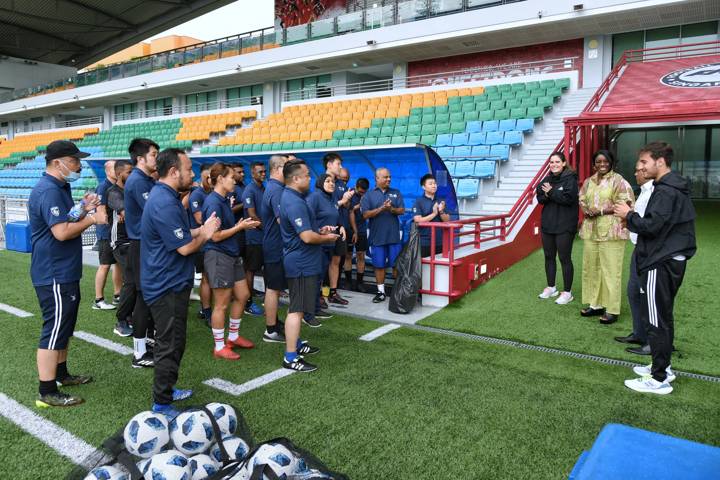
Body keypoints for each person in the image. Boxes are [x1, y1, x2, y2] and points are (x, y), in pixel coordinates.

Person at [141, 148, 220, 417]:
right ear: (174, 172)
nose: (193, 174)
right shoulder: (163, 200)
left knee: (175, 341)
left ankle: (167, 390)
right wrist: (206, 234)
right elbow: (185, 248)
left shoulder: (168, 196)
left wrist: (200, 229)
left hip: (172, 282)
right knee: (169, 343)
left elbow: (179, 233)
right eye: (188, 169)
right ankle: (162, 403)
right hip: (166, 285)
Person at [29, 140, 107, 408]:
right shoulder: (48, 190)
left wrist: (82, 209)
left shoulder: (60, 187)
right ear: (57, 162)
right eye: (74, 161)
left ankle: (61, 375)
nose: (78, 165)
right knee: (53, 329)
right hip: (53, 272)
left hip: (63, 270)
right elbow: (61, 232)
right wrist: (91, 219)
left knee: (64, 327)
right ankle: (47, 390)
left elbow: (66, 219)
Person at [614, 142, 696, 395]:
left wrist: (628, 215)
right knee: (663, 316)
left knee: (656, 320)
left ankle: (658, 378)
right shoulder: (672, 188)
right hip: (670, 258)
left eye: (643, 162)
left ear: (660, 162)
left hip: (660, 262)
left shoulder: (666, 191)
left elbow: (650, 226)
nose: (639, 166)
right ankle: (664, 367)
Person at [279, 159, 339, 372]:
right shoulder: (293, 201)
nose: (310, 178)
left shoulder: (295, 198)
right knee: (297, 309)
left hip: (303, 261)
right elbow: (306, 237)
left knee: (300, 308)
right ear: (296, 178)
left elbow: (306, 231)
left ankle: (295, 344)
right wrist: (327, 238)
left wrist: (320, 232)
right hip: (301, 262)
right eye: (306, 175)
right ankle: (290, 357)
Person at [203, 163, 260, 360]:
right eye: (230, 177)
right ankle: (219, 346)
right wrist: (240, 227)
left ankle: (233, 337)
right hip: (219, 255)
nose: (234, 180)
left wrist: (239, 226)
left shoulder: (223, 199)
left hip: (231, 254)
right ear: (220, 179)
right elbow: (215, 236)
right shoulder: (213, 202)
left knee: (243, 295)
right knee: (221, 304)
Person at [578, 150, 634, 324]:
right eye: (598, 162)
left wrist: (601, 210)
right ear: (594, 164)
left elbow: (627, 203)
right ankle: (595, 305)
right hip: (591, 231)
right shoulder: (589, 182)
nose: (602, 165)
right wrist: (585, 208)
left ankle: (612, 309)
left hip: (612, 232)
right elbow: (581, 198)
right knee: (592, 268)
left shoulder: (619, 181)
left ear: (611, 163)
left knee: (611, 271)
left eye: (605, 162)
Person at [123, 138, 159, 368]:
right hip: (140, 245)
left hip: (146, 245)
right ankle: (139, 353)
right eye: (154, 154)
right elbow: (155, 211)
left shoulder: (145, 180)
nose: (157, 158)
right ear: (140, 158)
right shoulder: (137, 181)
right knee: (143, 298)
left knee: (149, 296)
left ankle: (146, 342)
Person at [614, 164, 654, 355]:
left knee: (647, 295)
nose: (635, 173)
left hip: (648, 250)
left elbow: (650, 223)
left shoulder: (655, 192)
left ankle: (651, 341)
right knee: (633, 291)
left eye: (638, 170)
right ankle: (639, 333)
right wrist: (629, 218)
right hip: (639, 248)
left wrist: (628, 215)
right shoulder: (645, 192)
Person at [535, 153, 579, 305]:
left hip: (565, 226)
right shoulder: (547, 180)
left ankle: (567, 292)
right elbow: (540, 198)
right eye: (551, 162)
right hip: (548, 224)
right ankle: (551, 287)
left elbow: (568, 199)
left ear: (564, 163)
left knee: (564, 258)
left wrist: (551, 192)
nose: (554, 164)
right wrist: (550, 193)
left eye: (557, 162)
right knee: (549, 257)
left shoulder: (571, 179)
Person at [361, 167, 405, 303]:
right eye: (386, 177)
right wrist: (381, 208)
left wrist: (391, 209)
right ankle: (381, 292)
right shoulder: (368, 195)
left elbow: (402, 210)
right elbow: (365, 215)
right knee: (379, 265)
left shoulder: (396, 193)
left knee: (396, 265)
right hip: (377, 237)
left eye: (389, 177)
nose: (389, 179)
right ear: (377, 178)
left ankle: (398, 291)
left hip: (393, 237)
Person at [308, 174, 348, 314]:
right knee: (314, 276)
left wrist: (340, 225)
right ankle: (310, 310)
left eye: (333, 182)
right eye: (328, 181)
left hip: (328, 244)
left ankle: (315, 307)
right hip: (316, 244)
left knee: (320, 276)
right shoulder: (315, 197)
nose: (332, 184)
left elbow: (333, 216)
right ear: (320, 183)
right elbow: (308, 218)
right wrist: (319, 231)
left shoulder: (332, 199)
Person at [260, 155, 289, 343]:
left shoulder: (275, 188)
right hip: (275, 246)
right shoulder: (276, 190)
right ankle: (270, 330)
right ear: (278, 169)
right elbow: (282, 221)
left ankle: (274, 324)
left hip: (275, 245)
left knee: (275, 287)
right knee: (272, 288)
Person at [106, 160, 134, 337]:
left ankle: (132, 317)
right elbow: (127, 213)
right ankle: (121, 320)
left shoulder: (132, 191)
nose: (132, 176)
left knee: (139, 281)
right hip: (121, 242)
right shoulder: (113, 192)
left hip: (136, 240)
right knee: (131, 280)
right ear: (119, 174)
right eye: (129, 172)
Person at [322, 154, 353, 304]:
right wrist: (344, 200)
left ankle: (332, 293)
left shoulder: (339, 183)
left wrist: (341, 225)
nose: (340, 167)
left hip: (339, 227)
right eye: (338, 164)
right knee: (322, 262)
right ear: (329, 164)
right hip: (325, 229)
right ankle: (319, 294)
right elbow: (326, 207)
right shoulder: (322, 182)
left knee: (336, 260)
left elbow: (341, 207)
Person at [93, 160, 121, 310]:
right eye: (113, 168)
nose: (117, 171)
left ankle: (118, 295)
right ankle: (98, 299)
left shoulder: (116, 186)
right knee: (105, 265)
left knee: (118, 264)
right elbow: (100, 212)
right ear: (107, 171)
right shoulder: (103, 187)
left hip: (116, 233)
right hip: (106, 233)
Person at [241, 161, 266, 316]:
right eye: (260, 172)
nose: (263, 174)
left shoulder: (264, 188)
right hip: (253, 238)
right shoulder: (249, 190)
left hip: (264, 237)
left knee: (266, 269)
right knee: (250, 270)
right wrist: (267, 228)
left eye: (264, 171)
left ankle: (268, 298)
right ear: (253, 173)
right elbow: (252, 215)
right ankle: (248, 302)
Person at [189, 164, 212, 321]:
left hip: (211, 240)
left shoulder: (212, 193)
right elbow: (199, 219)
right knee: (206, 277)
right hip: (200, 241)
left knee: (210, 277)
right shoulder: (197, 194)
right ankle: (206, 310)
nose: (210, 180)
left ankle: (208, 307)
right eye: (206, 178)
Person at [413, 174, 450, 258]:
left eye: (435, 183)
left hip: (440, 241)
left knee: (440, 268)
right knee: (424, 268)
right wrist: (434, 213)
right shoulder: (418, 201)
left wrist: (441, 211)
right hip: (424, 242)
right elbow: (418, 220)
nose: (434, 186)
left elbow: (447, 220)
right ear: (423, 187)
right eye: (430, 183)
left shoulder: (441, 200)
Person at [348, 177, 369, 292]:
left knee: (361, 255)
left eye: (364, 192)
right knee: (348, 255)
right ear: (356, 187)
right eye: (360, 191)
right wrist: (359, 205)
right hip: (350, 229)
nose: (362, 193)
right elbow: (347, 209)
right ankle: (348, 282)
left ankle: (360, 283)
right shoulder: (349, 194)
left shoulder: (367, 196)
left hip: (362, 230)